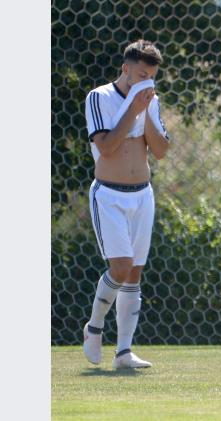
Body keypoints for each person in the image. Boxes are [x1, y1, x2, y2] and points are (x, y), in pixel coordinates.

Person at [82, 39, 170, 369]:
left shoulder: (152, 101)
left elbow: (160, 150)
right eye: (141, 74)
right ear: (126, 69)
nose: (147, 81)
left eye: (152, 76)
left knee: (134, 273)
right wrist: (133, 108)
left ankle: (123, 352)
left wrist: (146, 111)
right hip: (109, 194)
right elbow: (105, 147)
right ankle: (94, 328)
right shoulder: (99, 97)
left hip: (142, 194)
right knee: (119, 266)